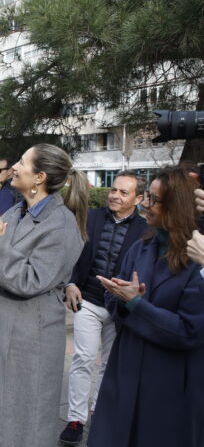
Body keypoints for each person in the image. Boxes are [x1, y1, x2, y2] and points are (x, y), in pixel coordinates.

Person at [0, 144, 89, 447]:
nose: (14, 168)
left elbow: (31, 280)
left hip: (30, 337)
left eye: (22, 162)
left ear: (39, 177)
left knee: (26, 419)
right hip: (2, 326)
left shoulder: (61, 224)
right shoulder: (15, 210)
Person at [88, 166, 204, 447]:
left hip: (169, 381)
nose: (146, 206)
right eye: (147, 198)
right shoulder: (141, 247)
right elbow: (113, 300)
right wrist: (122, 299)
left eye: (154, 200)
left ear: (176, 206)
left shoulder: (196, 258)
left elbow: (189, 330)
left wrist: (137, 304)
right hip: (125, 369)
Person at [59, 171, 147, 445]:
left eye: (123, 192)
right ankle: (76, 419)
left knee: (110, 364)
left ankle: (99, 411)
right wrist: (71, 283)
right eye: (113, 190)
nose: (115, 196)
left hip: (120, 308)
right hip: (88, 301)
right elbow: (74, 252)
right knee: (83, 359)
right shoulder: (92, 217)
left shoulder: (145, 230)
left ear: (139, 198)